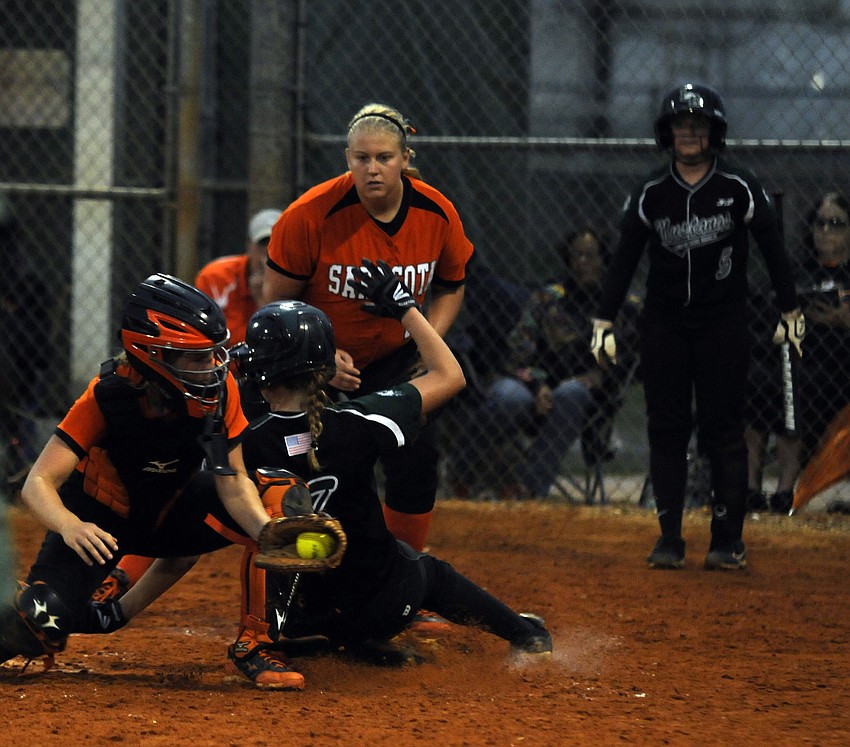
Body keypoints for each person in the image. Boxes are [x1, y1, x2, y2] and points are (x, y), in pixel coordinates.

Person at [233, 259, 551, 663]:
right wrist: (405, 307)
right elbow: (450, 375)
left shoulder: (243, 441)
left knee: (277, 546)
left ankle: (343, 644)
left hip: (301, 619)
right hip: (384, 606)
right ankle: (527, 635)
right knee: (429, 573)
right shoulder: (356, 421)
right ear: (324, 368)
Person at [0, 273, 305, 689]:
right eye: (196, 359)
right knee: (39, 616)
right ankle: (107, 596)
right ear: (151, 354)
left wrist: (268, 533)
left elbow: (231, 481)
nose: (212, 368)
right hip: (96, 524)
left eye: (213, 355)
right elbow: (38, 483)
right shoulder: (108, 396)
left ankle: (258, 645)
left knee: (276, 499)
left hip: (168, 511)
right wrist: (71, 526)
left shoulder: (218, 393)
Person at [591, 82, 803, 571]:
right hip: (664, 322)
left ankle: (726, 539)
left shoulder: (738, 185)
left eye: (698, 124)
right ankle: (669, 537)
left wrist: (790, 310)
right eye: (680, 124)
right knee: (666, 427)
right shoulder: (651, 191)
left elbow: (774, 251)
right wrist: (603, 318)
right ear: (667, 133)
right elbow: (623, 260)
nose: (688, 131)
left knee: (723, 428)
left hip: (723, 322)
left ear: (714, 132)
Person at [262, 102, 474, 556]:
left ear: (406, 159)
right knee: (320, 463)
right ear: (347, 159)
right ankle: (305, 571)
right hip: (322, 360)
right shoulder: (311, 214)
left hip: (398, 357)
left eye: (384, 158)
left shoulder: (437, 212)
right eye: (362, 158)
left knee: (416, 457)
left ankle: (408, 574)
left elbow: (452, 285)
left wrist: (426, 344)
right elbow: (274, 302)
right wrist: (317, 356)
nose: (373, 169)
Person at [450, 226, 640, 500]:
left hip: (581, 401)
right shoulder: (549, 298)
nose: (583, 262)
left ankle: (526, 489)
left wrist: (598, 375)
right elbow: (519, 351)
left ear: (604, 259)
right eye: (576, 256)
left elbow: (624, 357)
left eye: (590, 255)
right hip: (531, 385)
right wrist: (538, 385)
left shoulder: (618, 304)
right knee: (508, 396)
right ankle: (458, 473)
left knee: (570, 393)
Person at [794, 192, 850, 463]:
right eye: (820, 223)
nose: (826, 231)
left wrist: (845, 321)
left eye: (837, 223)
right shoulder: (799, 272)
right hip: (807, 361)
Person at [195, 208, 282, 344]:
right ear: (249, 245)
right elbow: (211, 340)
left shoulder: (296, 282)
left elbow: (280, 344)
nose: (268, 251)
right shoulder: (217, 277)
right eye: (263, 243)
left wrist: (264, 300)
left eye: (276, 244)